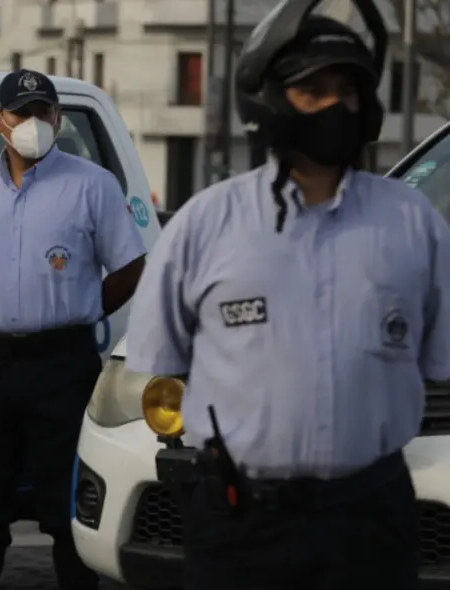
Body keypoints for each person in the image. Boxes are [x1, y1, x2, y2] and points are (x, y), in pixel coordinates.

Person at [125, 12, 450, 590]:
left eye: (348, 92)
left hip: (370, 519)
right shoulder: (203, 225)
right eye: (312, 90)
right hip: (240, 525)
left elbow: (435, 361)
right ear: (270, 101)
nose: (333, 107)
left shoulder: (413, 222)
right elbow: (162, 358)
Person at [0, 68, 147, 590]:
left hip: (62, 364)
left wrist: (78, 310)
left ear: (57, 117)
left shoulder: (92, 185)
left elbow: (130, 267)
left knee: (64, 502)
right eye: (22, 112)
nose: (35, 122)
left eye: (44, 112)